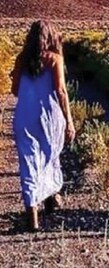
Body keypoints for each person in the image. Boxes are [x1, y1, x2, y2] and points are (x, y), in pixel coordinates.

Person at [10, 20, 75, 232]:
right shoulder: (55, 59)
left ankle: (33, 217)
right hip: (49, 115)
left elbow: (15, 91)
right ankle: (51, 198)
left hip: (25, 115)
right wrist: (69, 121)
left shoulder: (21, 59)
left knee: (28, 161)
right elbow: (61, 92)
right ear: (51, 36)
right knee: (50, 155)